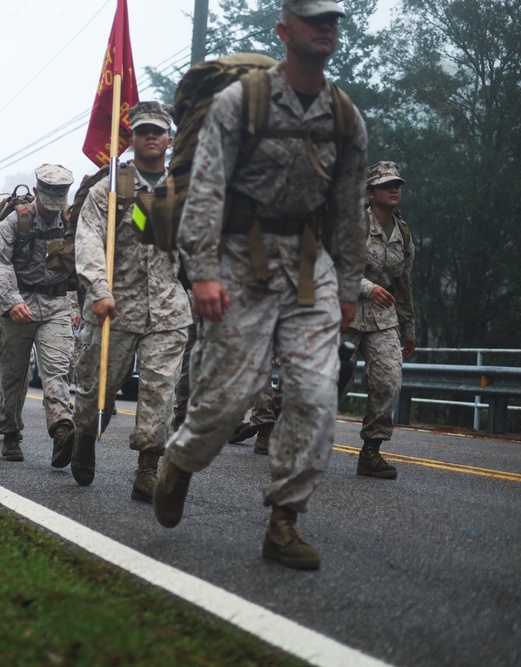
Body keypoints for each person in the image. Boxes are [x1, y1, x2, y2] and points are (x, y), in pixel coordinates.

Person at [153, 0, 368, 570]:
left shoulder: (344, 116)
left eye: (334, 21)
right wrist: (202, 273)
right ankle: (179, 461)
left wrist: (348, 288)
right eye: (314, 18)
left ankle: (284, 520)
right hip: (237, 257)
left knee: (317, 394)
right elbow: (205, 192)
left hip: (307, 263)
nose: (326, 27)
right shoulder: (239, 102)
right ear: (284, 29)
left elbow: (349, 211)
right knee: (226, 404)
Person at [70, 101, 192, 502]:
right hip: (114, 308)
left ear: (170, 140)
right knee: (95, 390)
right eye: (143, 131)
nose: (151, 136)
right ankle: (85, 434)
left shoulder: (184, 189)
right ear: (132, 139)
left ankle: (147, 468)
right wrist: (99, 290)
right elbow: (87, 239)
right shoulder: (110, 187)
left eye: (158, 130)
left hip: (168, 308)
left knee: (161, 391)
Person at [0, 164, 78, 462]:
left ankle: (62, 429)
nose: (53, 209)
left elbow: (82, 266)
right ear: (37, 192)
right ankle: (11, 432)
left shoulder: (71, 222)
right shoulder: (15, 222)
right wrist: (11, 301)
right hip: (18, 306)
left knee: (57, 370)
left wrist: (76, 305)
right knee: (13, 375)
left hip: (56, 305)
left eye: (59, 202)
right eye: (48, 201)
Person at [343, 160, 415, 479]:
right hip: (343, 310)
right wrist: (367, 287)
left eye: (397, 185)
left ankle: (371, 452)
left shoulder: (403, 232)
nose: (394, 189)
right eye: (387, 185)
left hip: (383, 315)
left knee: (389, 379)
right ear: (370, 192)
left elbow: (403, 282)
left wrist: (409, 328)